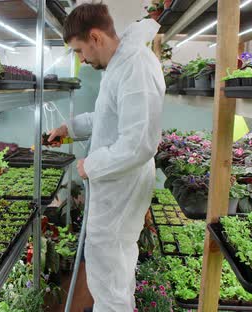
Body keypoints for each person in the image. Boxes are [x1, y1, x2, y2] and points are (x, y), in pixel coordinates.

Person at [47, 3, 165, 311]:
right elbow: (106, 117)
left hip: (121, 185)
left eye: (79, 50)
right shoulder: (120, 64)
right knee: (113, 271)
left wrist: (91, 166)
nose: (81, 59)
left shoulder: (135, 66)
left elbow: (139, 143)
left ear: (96, 37)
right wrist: (69, 128)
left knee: (109, 274)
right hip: (117, 183)